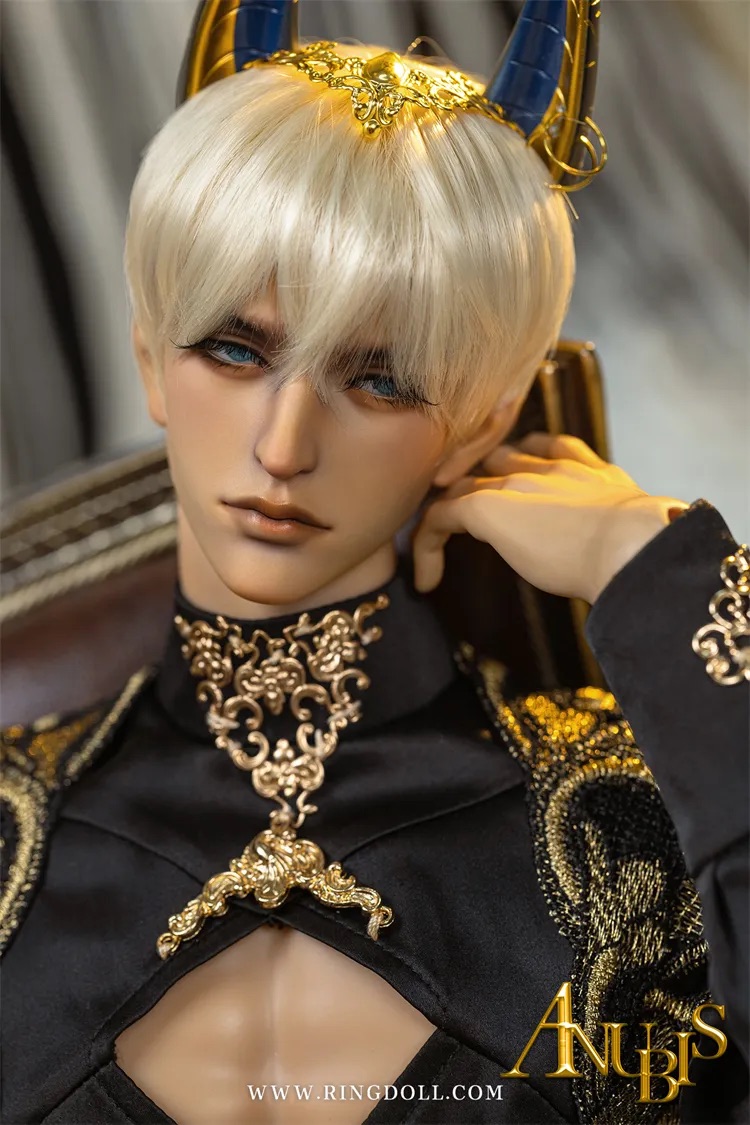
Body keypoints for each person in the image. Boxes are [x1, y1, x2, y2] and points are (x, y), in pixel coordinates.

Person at [2, 1, 747, 1122]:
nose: (283, 446)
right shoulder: (11, 835)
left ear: (485, 418)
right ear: (150, 355)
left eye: (381, 379)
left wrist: (648, 561)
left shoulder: (629, 825)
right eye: (234, 349)